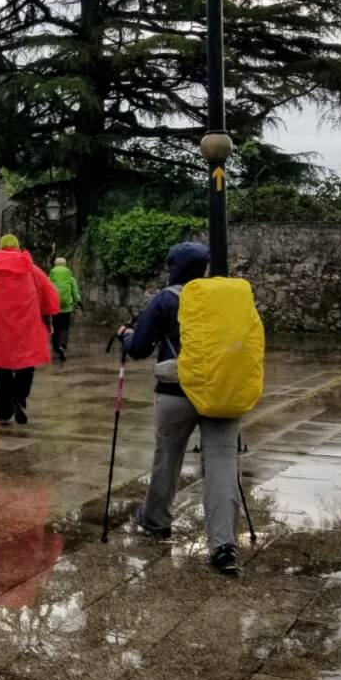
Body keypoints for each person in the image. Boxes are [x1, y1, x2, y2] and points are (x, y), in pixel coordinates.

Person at [119, 241, 243, 576]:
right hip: (222, 391)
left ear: (174, 268)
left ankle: (157, 520)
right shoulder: (227, 297)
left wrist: (126, 336)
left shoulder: (166, 299)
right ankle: (223, 545)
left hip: (176, 391)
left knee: (167, 456)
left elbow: (140, 348)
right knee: (221, 462)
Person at [0, 234, 59, 425]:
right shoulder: (31, 270)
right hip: (26, 325)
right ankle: (18, 396)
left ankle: (4, 413)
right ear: (18, 247)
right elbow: (48, 293)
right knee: (27, 364)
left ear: (1, 247)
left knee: (1, 369)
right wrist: (48, 317)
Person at [47, 257, 81, 361]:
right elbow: (75, 292)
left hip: (54, 307)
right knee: (64, 328)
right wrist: (78, 302)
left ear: (55, 265)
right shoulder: (70, 278)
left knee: (55, 327)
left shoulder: (50, 276)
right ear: (65, 265)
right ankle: (62, 346)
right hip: (67, 308)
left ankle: (56, 348)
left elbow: (46, 289)